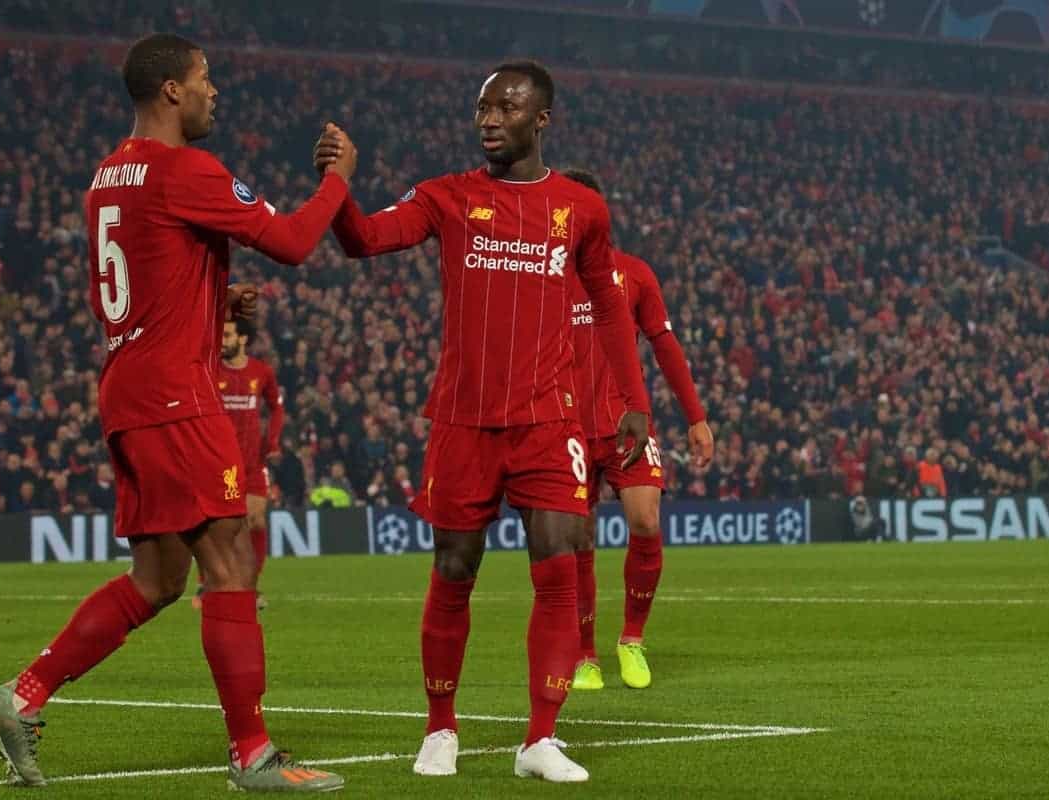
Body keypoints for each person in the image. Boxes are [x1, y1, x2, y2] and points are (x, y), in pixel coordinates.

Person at [0, 33, 355, 793]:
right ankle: (253, 755)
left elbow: (147, 272)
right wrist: (338, 182)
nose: (215, 92)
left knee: (157, 578)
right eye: (205, 79)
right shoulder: (187, 168)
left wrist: (215, 298)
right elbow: (292, 240)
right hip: (177, 394)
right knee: (231, 561)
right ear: (172, 92)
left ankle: (22, 696)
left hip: (128, 385)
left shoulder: (108, 175)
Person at [316, 60, 651, 784]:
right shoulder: (447, 196)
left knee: (559, 564)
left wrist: (634, 400)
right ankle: (441, 728)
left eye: (506, 107)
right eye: (482, 108)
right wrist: (338, 185)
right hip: (464, 421)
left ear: (542, 120)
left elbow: (609, 304)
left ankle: (540, 738)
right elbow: (363, 241)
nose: (489, 118)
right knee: (454, 569)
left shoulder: (581, 210)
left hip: (547, 418)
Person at [560, 168, 714, 692]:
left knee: (645, 521)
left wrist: (696, 417)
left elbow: (666, 347)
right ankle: (584, 655)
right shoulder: (547, 279)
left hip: (628, 423)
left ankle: (631, 639)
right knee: (577, 537)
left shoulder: (634, 275)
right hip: (567, 431)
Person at [192, 317, 284, 611]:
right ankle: (207, 581)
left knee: (256, 519)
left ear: (243, 338)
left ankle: (251, 587)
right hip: (217, 461)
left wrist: (273, 441)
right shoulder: (210, 371)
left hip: (253, 462)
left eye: (228, 335)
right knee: (217, 526)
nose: (222, 341)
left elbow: (277, 408)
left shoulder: (262, 372)